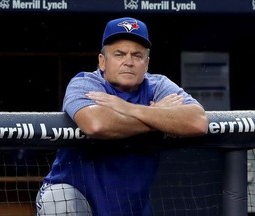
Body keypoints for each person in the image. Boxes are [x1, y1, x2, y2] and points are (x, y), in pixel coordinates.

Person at [36, 17, 208, 216]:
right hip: (74, 197)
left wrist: (128, 108)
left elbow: (197, 121)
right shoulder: (85, 83)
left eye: (137, 55)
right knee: (59, 203)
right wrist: (158, 118)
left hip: (129, 206)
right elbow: (96, 125)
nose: (128, 61)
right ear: (102, 61)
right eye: (119, 54)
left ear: (147, 63)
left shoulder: (158, 85)